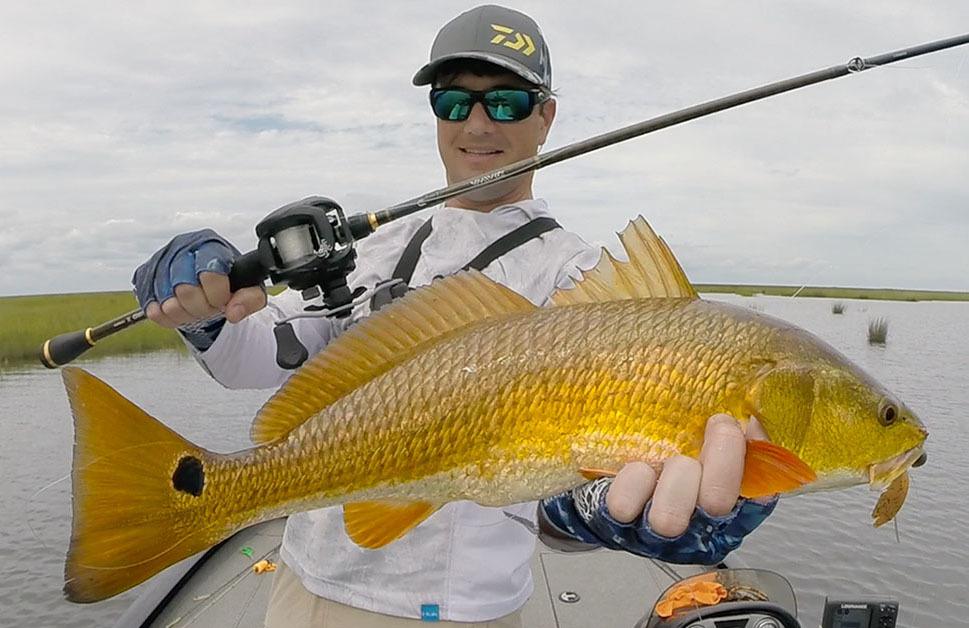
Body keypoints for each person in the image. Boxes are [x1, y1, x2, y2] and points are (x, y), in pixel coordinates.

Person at [132, 5, 776, 627]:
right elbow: (275, 356)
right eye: (452, 100)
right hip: (307, 585)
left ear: (546, 117)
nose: (477, 124)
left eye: (506, 101)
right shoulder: (383, 246)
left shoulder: (580, 283)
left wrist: (616, 513)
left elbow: (567, 474)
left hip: (459, 612)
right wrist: (206, 313)